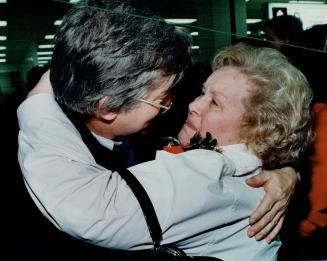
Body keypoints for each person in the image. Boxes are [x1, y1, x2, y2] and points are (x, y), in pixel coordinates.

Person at [18, 41, 311, 260]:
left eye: (215, 102)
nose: (195, 105)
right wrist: (289, 172)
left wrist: (39, 100)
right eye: (202, 92)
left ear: (258, 127)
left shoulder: (209, 172)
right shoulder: (246, 170)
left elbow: (93, 210)